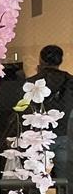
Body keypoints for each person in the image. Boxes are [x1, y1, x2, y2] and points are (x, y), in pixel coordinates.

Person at [27, 45, 73, 182]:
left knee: (36, 180)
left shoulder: (32, 82)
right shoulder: (70, 81)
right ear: (61, 60)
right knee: (65, 181)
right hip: (65, 135)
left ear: (41, 60)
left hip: (38, 138)